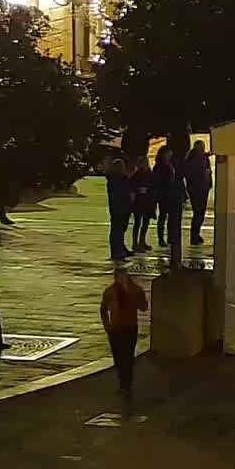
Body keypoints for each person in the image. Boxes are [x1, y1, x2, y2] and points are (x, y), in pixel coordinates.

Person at [100, 265, 148, 398]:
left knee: (127, 356)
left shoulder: (135, 290)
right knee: (118, 357)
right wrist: (107, 326)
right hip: (115, 329)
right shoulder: (110, 291)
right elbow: (103, 309)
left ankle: (126, 383)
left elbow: (144, 307)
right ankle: (123, 381)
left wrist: (134, 297)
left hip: (129, 328)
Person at [153, 148, 185, 267]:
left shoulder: (173, 164)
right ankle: (161, 237)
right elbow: (157, 181)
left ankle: (170, 237)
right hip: (164, 194)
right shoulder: (159, 167)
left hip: (173, 195)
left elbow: (179, 177)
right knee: (163, 216)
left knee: (171, 217)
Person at [183, 141, 213, 246]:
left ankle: (196, 233)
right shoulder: (192, 160)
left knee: (200, 212)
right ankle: (194, 234)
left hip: (202, 188)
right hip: (197, 189)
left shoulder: (202, 158)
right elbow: (191, 173)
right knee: (198, 212)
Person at [104, 156, 132, 260]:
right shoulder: (117, 179)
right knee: (117, 229)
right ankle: (117, 250)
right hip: (119, 206)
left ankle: (119, 248)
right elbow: (122, 192)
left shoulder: (116, 178)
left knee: (119, 229)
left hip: (119, 206)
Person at [129, 153, 154, 252]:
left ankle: (142, 241)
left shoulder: (149, 174)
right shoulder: (137, 175)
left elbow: (153, 185)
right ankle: (135, 243)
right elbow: (132, 186)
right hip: (139, 201)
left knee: (145, 222)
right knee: (138, 222)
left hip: (147, 200)